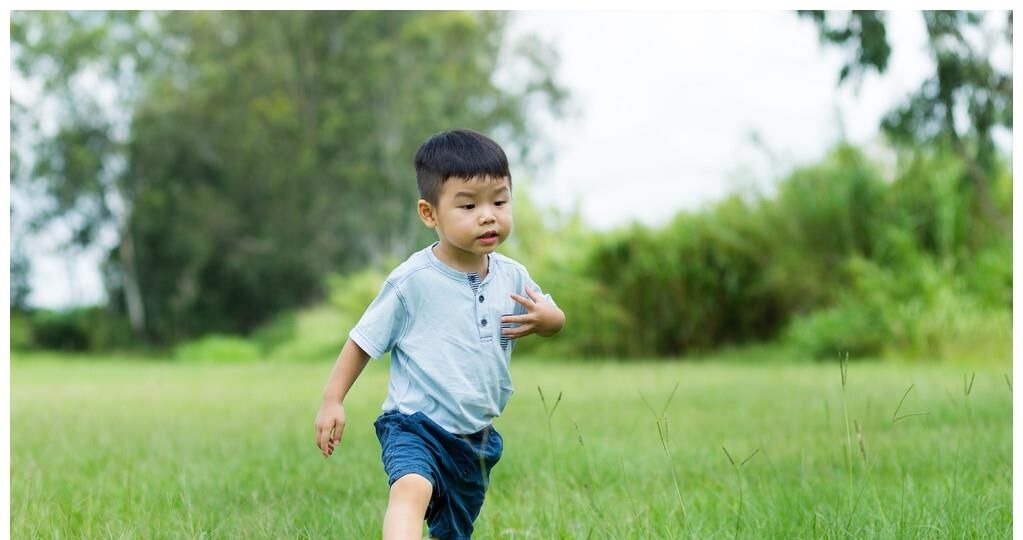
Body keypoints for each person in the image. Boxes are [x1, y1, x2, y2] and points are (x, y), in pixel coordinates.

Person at [314, 128, 566, 540]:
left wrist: (547, 319)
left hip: (475, 438)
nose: (488, 215)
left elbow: (555, 319)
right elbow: (363, 340)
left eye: (500, 201)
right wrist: (332, 400)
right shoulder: (413, 281)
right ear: (429, 213)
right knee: (411, 488)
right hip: (414, 424)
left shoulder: (512, 276)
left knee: (452, 532)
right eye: (468, 205)